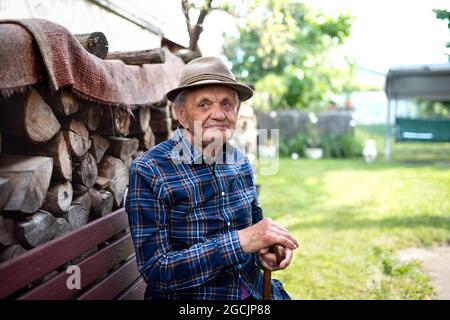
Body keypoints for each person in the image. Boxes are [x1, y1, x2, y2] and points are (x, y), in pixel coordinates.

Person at [125, 56, 299, 300]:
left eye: (227, 104)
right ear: (182, 115)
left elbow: (253, 231)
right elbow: (157, 270)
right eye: (204, 104)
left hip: (253, 290)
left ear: (237, 112)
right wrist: (241, 242)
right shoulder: (150, 171)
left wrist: (267, 249)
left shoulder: (239, 161)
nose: (218, 114)